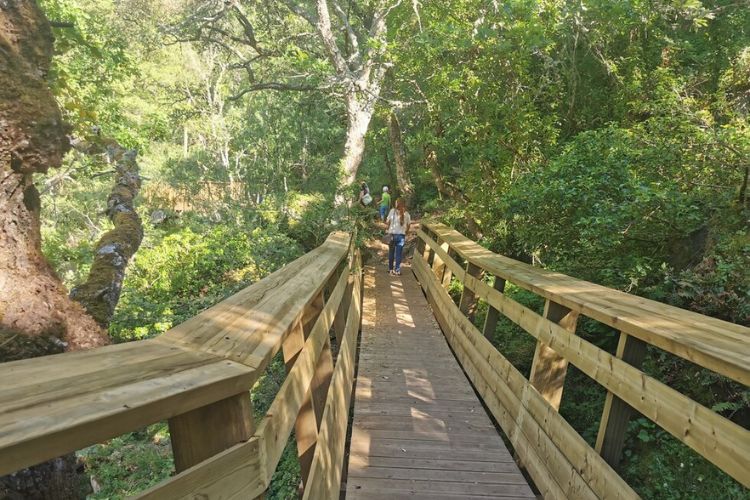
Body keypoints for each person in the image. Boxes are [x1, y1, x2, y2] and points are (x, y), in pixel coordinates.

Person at [385, 198, 411, 276]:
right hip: (401, 236)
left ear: (397, 204)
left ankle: (390, 270)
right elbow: (409, 225)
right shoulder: (407, 214)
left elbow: (388, 222)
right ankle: (397, 270)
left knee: (391, 253)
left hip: (392, 235)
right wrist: (406, 232)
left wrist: (387, 229)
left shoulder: (392, 211)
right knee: (398, 254)